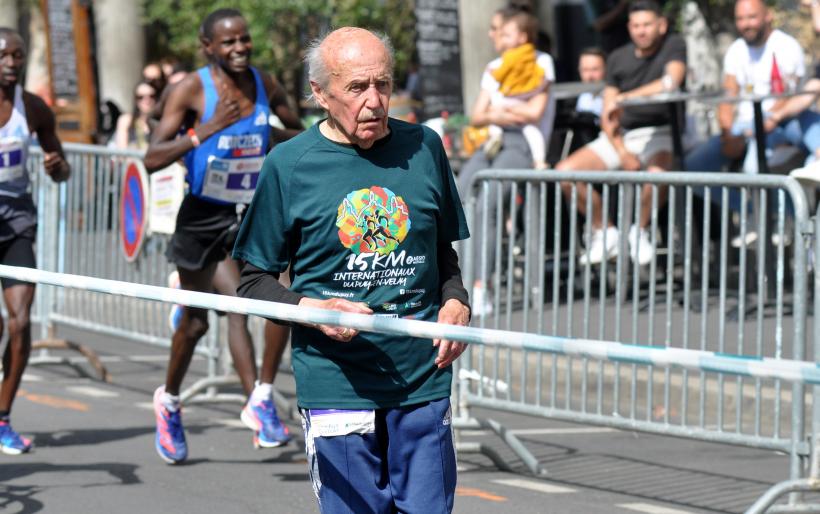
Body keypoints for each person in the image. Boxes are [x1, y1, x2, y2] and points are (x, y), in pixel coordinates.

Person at [233, 27, 471, 513]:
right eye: (357, 88)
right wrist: (312, 310)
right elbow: (253, 282)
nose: (375, 101)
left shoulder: (424, 147)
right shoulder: (289, 164)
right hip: (337, 383)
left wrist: (456, 301)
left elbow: (441, 251)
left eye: (383, 84)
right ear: (320, 93)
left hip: (421, 375)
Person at [143, 8, 303, 464]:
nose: (239, 49)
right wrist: (205, 131)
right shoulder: (191, 88)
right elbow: (152, 156)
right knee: (196, 323)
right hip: (202, 215)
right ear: (207, 47)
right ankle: (170, 400)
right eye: (228, 43)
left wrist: (268, 133)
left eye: (244, 40)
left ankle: (262, 398)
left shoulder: (263, 83)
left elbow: (296, 135)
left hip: (252, 211)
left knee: (276, 299)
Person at [554, 0, 686, 266]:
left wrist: (626, 98)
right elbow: (608, 113)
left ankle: (640, 229)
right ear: (628, 27)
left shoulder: (674, 45)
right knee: (564, 173)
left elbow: (670, 82)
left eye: (647, 24)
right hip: (621, 136)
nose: (641, 31)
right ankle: (605, 231)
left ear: (660, 25)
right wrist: (623, 151)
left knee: (657, 176)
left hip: (661, 133)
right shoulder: (617, 58)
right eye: (636, 25)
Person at [0, 27, 71, 455]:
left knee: (21, 322)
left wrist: (56, 165)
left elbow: (60, 170)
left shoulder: (33, 108)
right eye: (4, 55)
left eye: (18, 54)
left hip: (17, 222)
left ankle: (3, 416)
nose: (12, 61)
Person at [457, 7, 555, 315]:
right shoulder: (493, 67)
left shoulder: (540, 61)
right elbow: (477, 114)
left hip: (523, 143)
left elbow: (534, 112)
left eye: (504, 31)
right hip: (493, 141)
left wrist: (497, 112)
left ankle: (480, 286)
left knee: (488, 202)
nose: (496, 36)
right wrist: (506, 113)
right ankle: (457, 283)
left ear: (522, 36)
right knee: (459, 195)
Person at [685, 0, 819, 176]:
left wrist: (757, 127)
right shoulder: (736, 50)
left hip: (780, 122)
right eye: (740, 18)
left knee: (755, 167)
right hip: (744, 125)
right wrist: (728, 133)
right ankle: (743, 205)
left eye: (751, 17)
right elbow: (728, 96)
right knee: (694, 166)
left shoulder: (786, 46)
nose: (745, 24)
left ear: (768, 16)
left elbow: (786, 97)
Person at [113, 81, 158, 150]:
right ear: (135, 100)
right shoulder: (126, 120)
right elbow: (122, 151)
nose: (147, 100)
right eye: (141, 97)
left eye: (151, 96)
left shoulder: (159, 122)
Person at [575, 47, 607, 117]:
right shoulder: (581, 95)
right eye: (585, 70)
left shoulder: (614, 96)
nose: (589, 76)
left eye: (595, 69)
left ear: (606, 69)